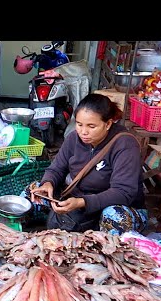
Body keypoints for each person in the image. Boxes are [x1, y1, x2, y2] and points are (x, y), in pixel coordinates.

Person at [27, 93, 147, 236]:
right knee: (32, 192)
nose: (83, 132)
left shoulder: (125, 145)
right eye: (79, 124)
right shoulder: (74, 138)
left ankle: (105, 250)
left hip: (113, 206)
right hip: (79, 201)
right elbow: (56, 168)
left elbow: (123, 192)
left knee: (115, 216)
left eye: (91, 126)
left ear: (108, 124)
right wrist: (48, 183)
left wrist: (82, 202)